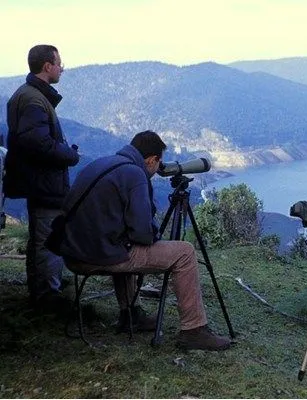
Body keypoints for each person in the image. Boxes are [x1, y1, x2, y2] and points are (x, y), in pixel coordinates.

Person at [59, 130, 231, 351]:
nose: (156, 170)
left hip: (73, 253)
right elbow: (143, 234)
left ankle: (131, 315)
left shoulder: (102, 164)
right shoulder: (135, 175)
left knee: (124, 244)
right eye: (157, 165)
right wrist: (152, 231)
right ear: (152, 159)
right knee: (185, 252)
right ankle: (193, 331)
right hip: (96, 256)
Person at [4, 44, 79, 307]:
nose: (62, 68)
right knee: (49, 237)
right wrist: (69, 155)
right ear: (47, 66)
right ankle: (48, 296)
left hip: (36, 181)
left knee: (41, 238)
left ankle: (42, 290)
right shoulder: (34, 99)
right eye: (59, 63)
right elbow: (38, 143)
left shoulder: (29, 96)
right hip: (44, 183)